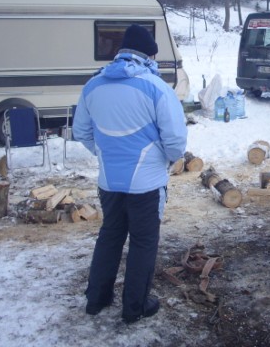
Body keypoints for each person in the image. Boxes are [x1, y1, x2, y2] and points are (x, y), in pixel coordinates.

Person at [73, 24, 187, 324]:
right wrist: (167, 161)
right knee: (143, 242)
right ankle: (134, 307)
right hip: (147, 184)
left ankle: (96, 299)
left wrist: (105, 154)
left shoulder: (94, 85)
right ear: (150, 55)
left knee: (110, 236)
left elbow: (81, 132)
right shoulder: (157, 87)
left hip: (109, 182)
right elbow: (175, 141)